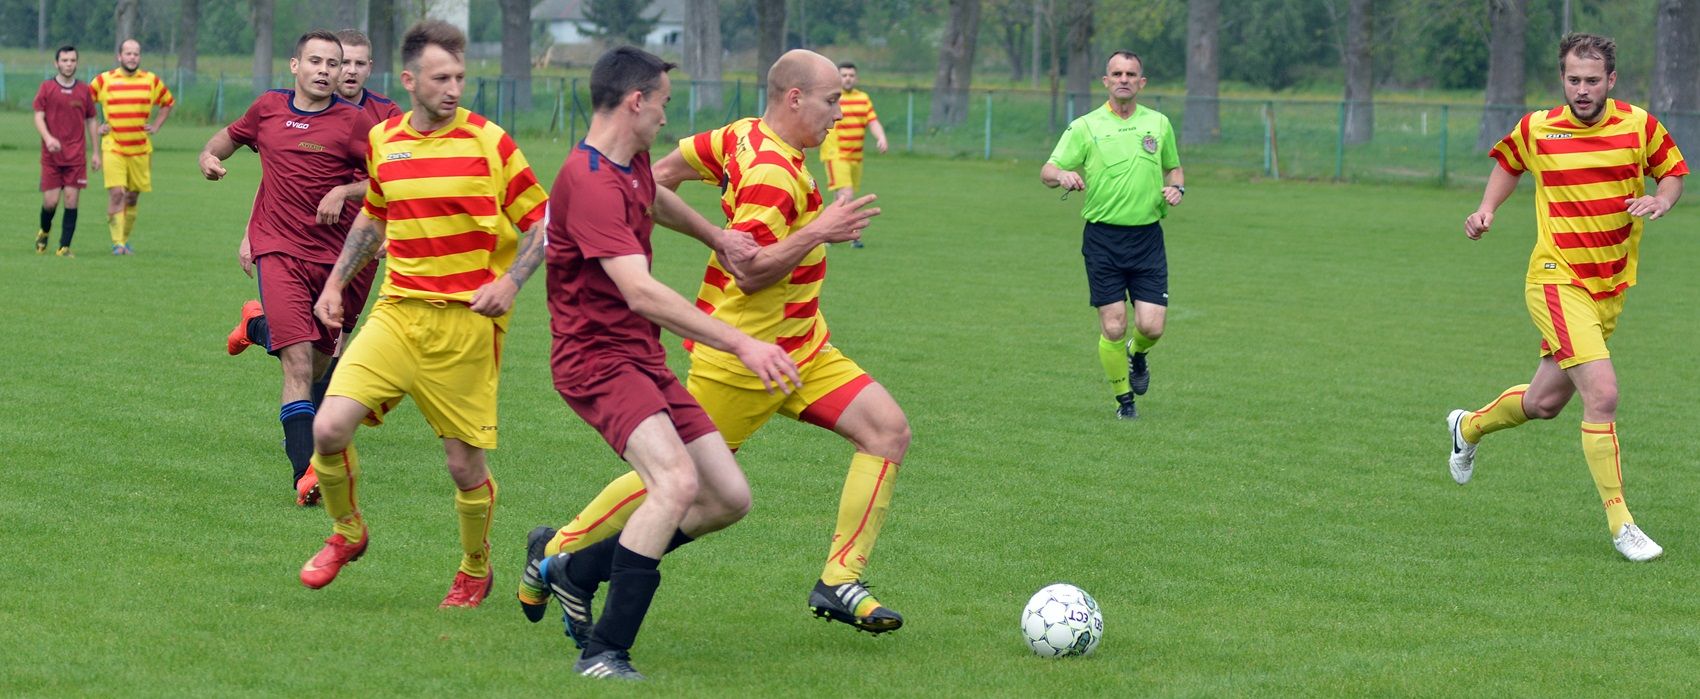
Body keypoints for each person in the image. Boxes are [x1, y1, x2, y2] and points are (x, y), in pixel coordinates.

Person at [535, 50, 904, 637]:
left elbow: (662, 172)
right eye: (832, 101)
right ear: (794, 99)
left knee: (887, 430)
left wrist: (695, 223)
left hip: (803, 345)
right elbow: (753, 274)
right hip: (745, 357)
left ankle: (839, 579)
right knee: (678, 481)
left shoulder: (740, 135)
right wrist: (819, 231)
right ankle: (557, 550)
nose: (841, 113)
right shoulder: (772, 177)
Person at [518, 46, 812, 681]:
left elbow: (653, 197)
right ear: (635, 102)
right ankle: (604, 652)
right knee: (675, 484)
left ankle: (574, 568)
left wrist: (716, 236)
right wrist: (742, 341)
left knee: (728, 497)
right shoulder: (588, 180)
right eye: (663, 105)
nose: (665, 118)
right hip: (594, 361)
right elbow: (641, 292)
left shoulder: (629, 162)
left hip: (638, 355)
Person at [295, 19, 550, 608]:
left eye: (460, 77)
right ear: (409, 80)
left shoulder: (491, 142)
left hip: (464, 326)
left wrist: (510, 284)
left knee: (463, 465)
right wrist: (336, 284)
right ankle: (348, 533)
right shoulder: (386, 139)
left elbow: (542, 222)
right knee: (329, 427)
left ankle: (475, 564)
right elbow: (376, 216)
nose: (454, 88)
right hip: (397, 312)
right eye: (441, 78)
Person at [1448, 33, 1685, 562]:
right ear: (1563, 79)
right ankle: (1623, 523)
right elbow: (1509, 163)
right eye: (1573, 80)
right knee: (1602, 393)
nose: (1582, 90)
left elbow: (1671, 172)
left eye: (1592, 81)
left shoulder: (1639, 124)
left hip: (1609, 287)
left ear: (1611, 81)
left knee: (1545, 403)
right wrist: (1487, 209)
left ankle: (1468, 426)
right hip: (1555, 278)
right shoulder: (1538, 127)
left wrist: (1661, 200)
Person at [223, 28, 405, 504]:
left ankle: (257, 326)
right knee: (299, 364)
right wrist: (248, 228)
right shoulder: (275, 109)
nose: (338, 72)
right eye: (326, 63)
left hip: (349, 255)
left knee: (325, 357)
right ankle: (308, 473)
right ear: (298, 65)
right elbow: (268, 168)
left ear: (366, 69)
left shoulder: (374, 119)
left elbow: (400, 181)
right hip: (284, 248)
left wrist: (354, 199)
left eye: (349, 64)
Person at [1039, 51, 1184, 421]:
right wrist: (1063, 176)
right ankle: (1125, 403)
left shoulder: (1159, 123)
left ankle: (1139, 355)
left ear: (1141, 82)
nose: (1123, 79)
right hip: (1103, 239)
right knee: (1114, 324)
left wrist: (1177, 190)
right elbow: (1047, 170)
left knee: (1151, 326)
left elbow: (1175, 169)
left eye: (1131, 73)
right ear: (1105, 81)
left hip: (1148, 238)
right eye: (1116, 73)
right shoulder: (1085, 126)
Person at [90, 39, 173, 255]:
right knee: (117, 193)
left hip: (140, 149)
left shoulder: (150, 80)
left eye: (136, 54)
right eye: (128, 53)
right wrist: (97, 126)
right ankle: (117, 243)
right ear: (119, 56)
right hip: (113, 146)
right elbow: (85, 103)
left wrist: (155, 126)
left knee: (132, 197)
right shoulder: (104, 80)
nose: (132, 57)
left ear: (140, 57)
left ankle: (124, 241)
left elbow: (168, 102)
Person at [33, 45, 100, 257]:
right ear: (57, 63)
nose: (68, 64)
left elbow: (91, 120)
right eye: (64, 60)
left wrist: (96, 152)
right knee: (51, 202)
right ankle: (44, 231)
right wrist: (48, 138)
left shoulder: (84, 90)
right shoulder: (46, 88)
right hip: (51, 157)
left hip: (76, 157)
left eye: (72, 60)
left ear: (76, 63)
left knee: (71, 200)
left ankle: (64, 247)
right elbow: (38, 115)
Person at [818, 62, 887, 248]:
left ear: (856, 78)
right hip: (835, 154)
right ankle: (854, 236)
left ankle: (824, 234)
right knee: (847, 195)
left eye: (851, 75)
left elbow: (872, 121)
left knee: (840, 197)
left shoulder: (863, 98)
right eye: (844, 75)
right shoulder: (832, 99)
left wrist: (881, 137)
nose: (847, 78)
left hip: (856, 157)